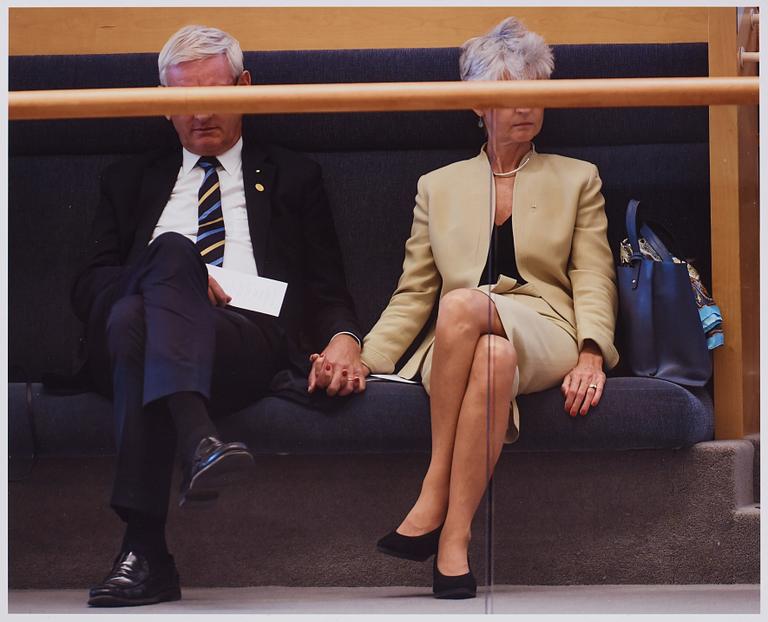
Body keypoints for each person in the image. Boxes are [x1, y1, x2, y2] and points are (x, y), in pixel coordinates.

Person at [74, 25, 364, 607]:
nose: (201, 113)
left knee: (143, 315)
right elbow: (89, 287)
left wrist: (346, 339)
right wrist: (171, 277)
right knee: (161, 273)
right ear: (163, 107)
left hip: (244, 336)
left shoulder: (294, 175)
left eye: (215, 94)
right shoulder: (128, 180)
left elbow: (328, 287)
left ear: (246, 87)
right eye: (183, 101)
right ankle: (199, 440)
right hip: (130, 327)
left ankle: (144, 552)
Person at [339, 17, 619, 599]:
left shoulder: (577, 178)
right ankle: (454, 544)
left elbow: (592, 273)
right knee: (488, 353)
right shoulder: (437, 186)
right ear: (475, 104)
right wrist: (366, 358)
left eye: (536, 92)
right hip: (462, 341)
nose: (526, 108)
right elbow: (414, 291)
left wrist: (592, 352)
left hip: (547, 326)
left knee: (466, 306)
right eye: (509, 94)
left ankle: (432, 487)